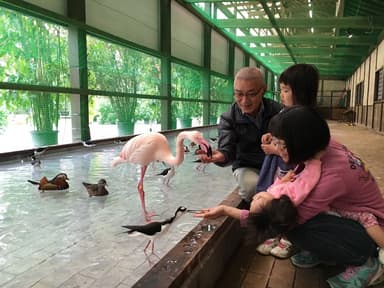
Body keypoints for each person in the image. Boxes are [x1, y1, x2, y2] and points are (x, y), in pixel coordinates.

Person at [196, 106, 384, 287]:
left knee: (293, 226)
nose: (276, 147)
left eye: (281, 144)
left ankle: (365, 263)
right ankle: (323, 251)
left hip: (370, 234)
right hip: (349, 218)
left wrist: (228, 210)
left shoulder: (329, 178)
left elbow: (277, 220)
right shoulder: (322, 148)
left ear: (299, 144)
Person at [255, 63, 320, 258]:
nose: (281, 95)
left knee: (291, 202)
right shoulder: (285, 112)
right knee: (276, 198)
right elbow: (280, 133)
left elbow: (300, 147)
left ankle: (289, 238)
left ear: (300, 92)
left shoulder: (306, 119)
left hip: (296, 171)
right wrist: (269, 136)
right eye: (281, 90)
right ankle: (276, 233)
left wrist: (274, 149)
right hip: (280, 168)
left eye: (285, 90)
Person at [198, 67, 282, 202]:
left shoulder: (278, 111)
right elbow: (227, 150)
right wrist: (221, 156)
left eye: (252, 94)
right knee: (252, 188)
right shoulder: (229, 118)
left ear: (263, 90)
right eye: (239, 94)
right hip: (246, 165)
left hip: (275, 163)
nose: (244, 101)